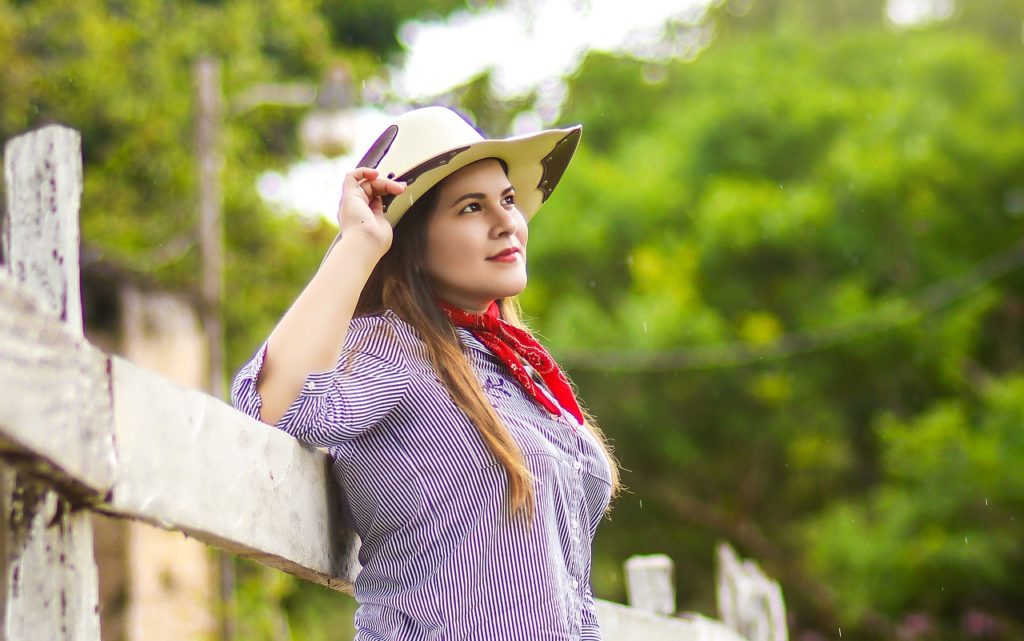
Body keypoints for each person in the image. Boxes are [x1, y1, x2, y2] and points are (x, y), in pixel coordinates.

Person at [231, 106, 621, 640]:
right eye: (470, 208)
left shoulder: (515, 370)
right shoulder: (395, 349)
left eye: (507, 200)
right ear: (415, 244)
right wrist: (361, 244)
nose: (507, 221)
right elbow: (270, 406)